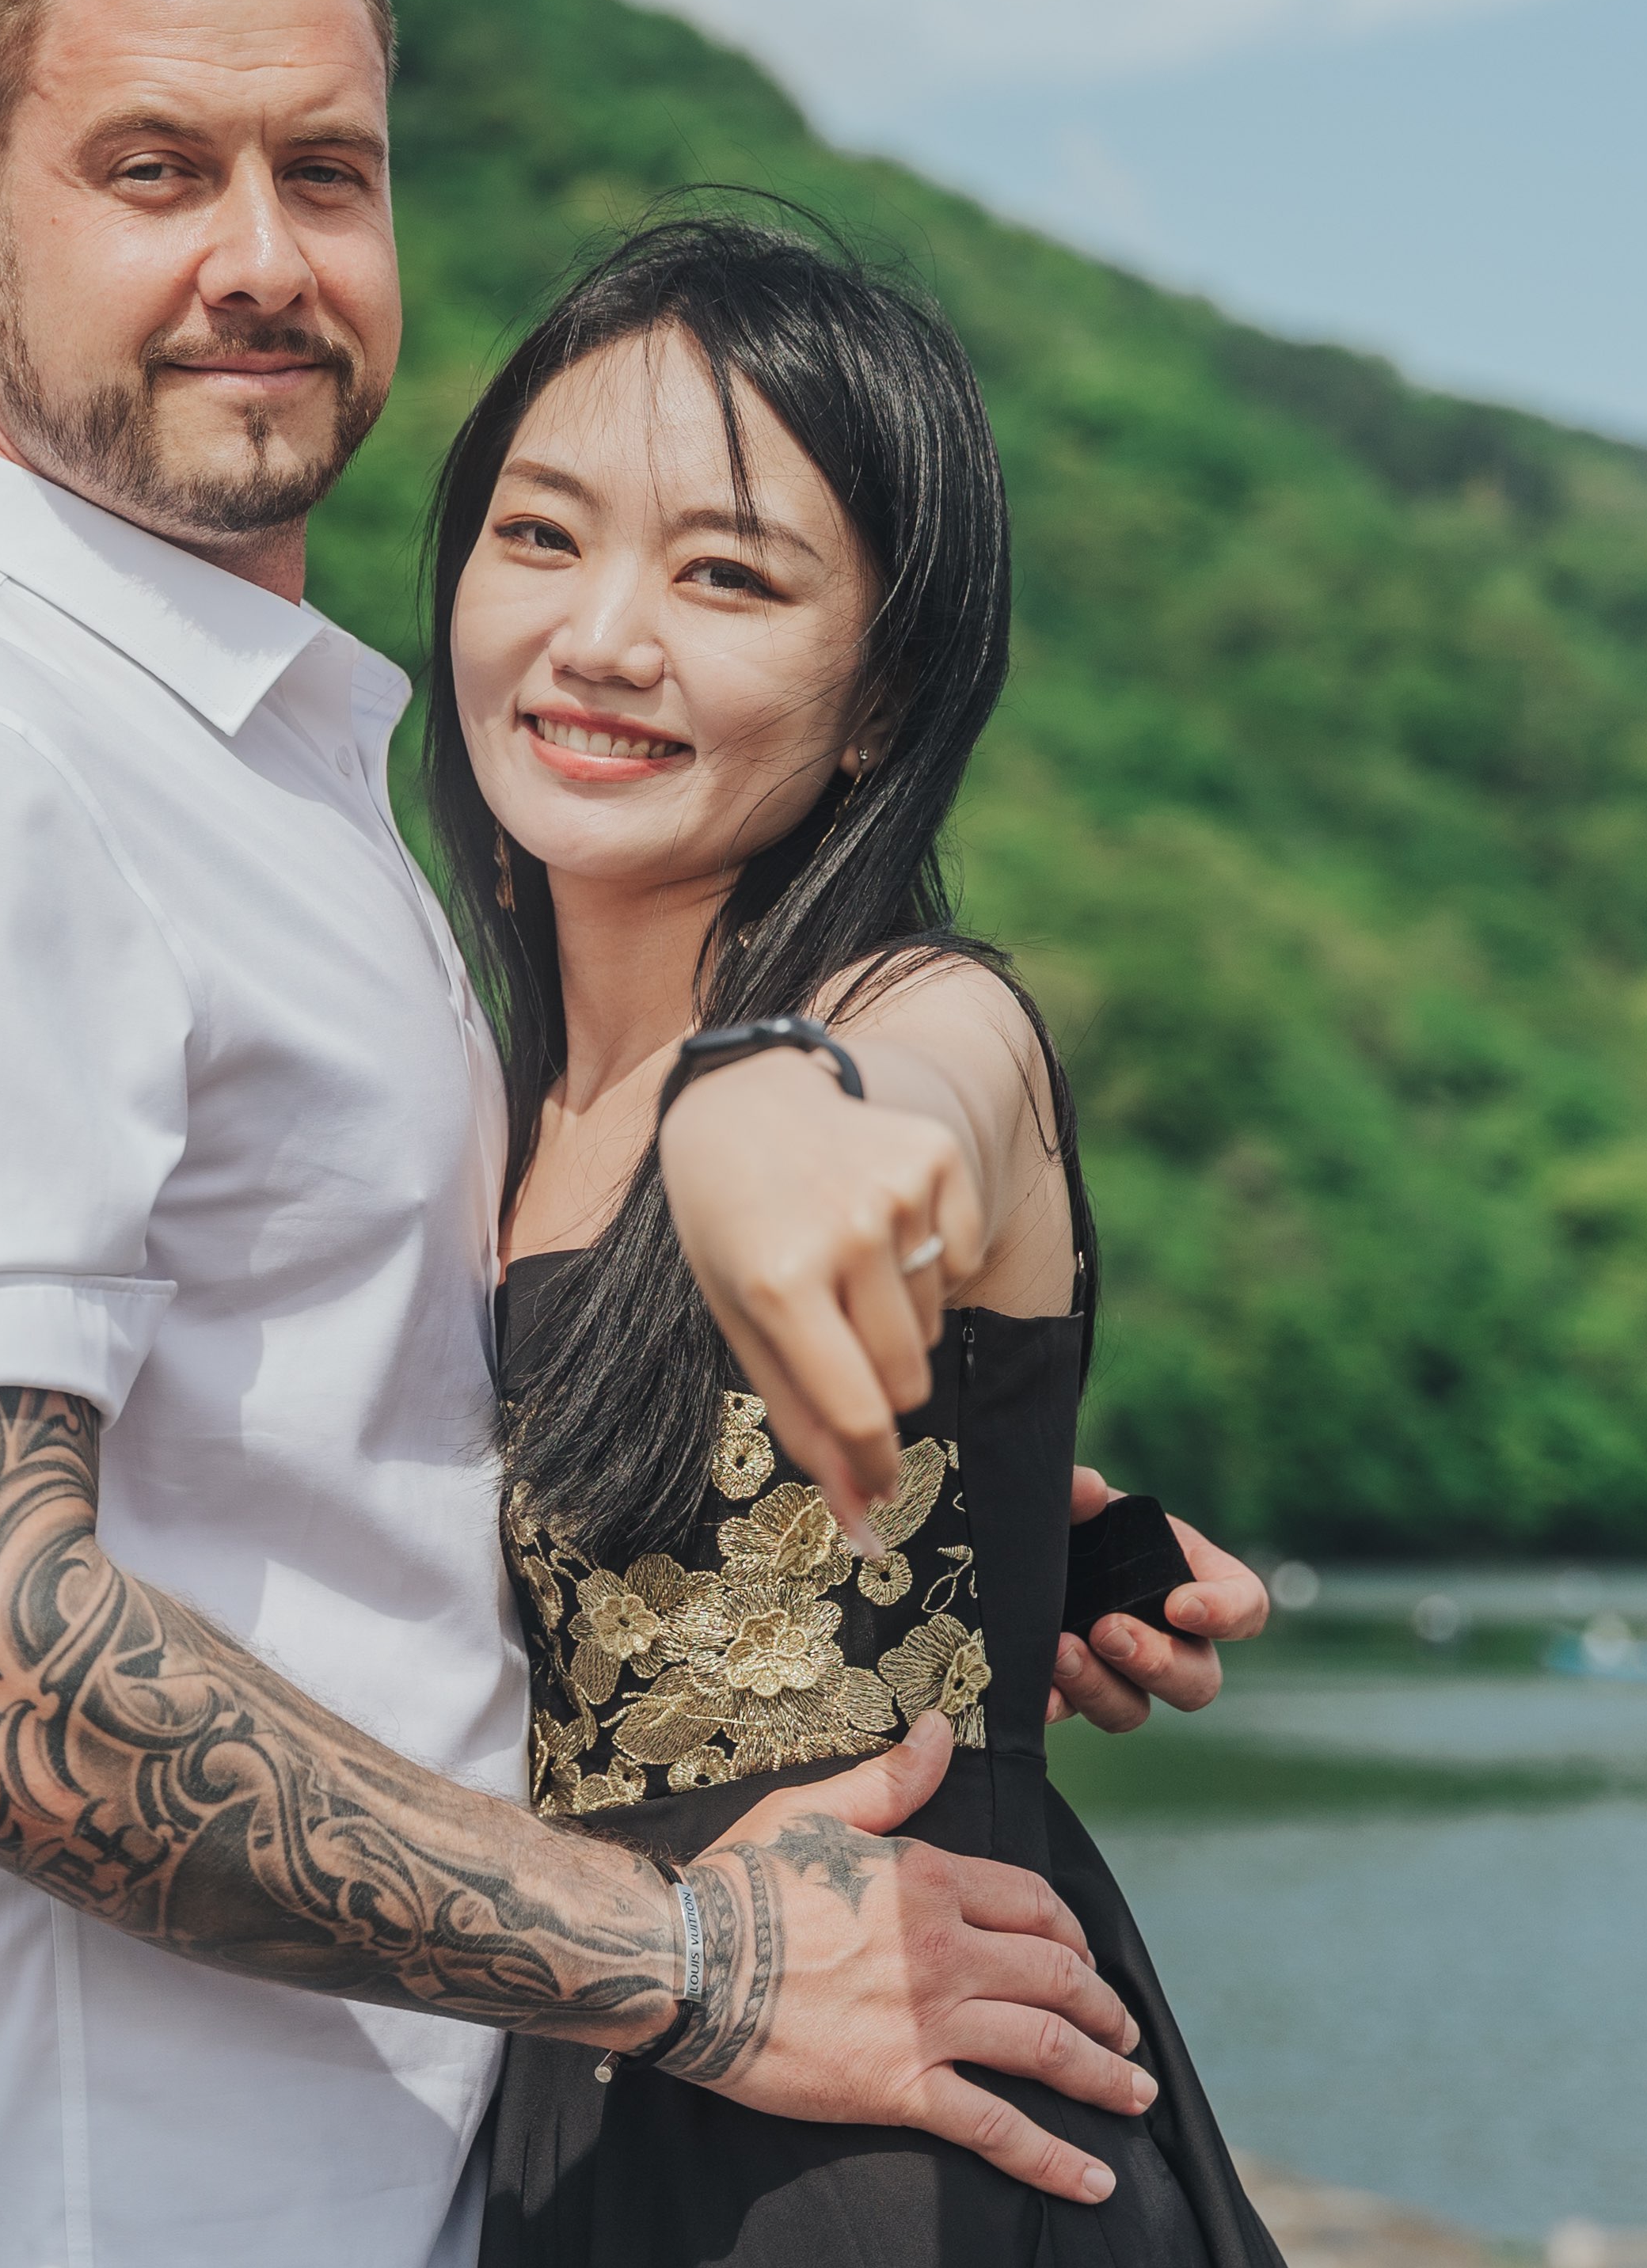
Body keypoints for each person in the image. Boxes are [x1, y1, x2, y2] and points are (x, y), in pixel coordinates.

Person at [0, 0, 1264, 2268]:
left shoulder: (265, 777)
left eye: (329, 175)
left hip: (452, 2166)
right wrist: (688, 1960)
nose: (259, 262)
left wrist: (993, 1521)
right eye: (156, 170)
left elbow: (357, 1422)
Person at [434, 211, 1275, 2262]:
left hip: (887, 2129)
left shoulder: (921, 1020)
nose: (604, 636)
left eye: (727, 575)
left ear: (882, 695)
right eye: (541, 538)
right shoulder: (457, 1097)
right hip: (579, 2074)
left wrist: (764, 1123)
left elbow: (897, 1117)